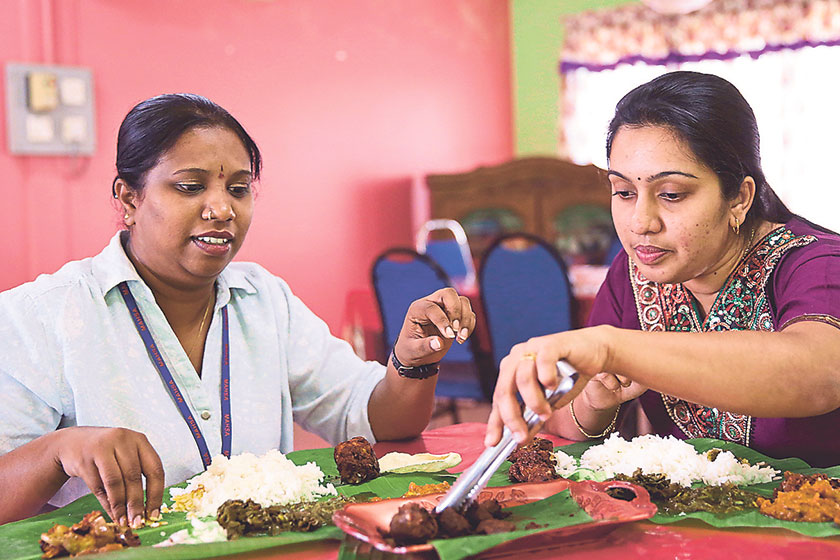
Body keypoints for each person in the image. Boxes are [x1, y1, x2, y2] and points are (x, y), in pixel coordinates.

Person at [0, 94, 476, 527]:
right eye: (190, 187)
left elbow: (377, 420)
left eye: (238, 189)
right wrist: (59, 450)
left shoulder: (265, 300)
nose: (221, 208)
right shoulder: (41, 315)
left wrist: (413, 361)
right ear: (129, 198)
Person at [485, 71, 840, 468]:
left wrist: (612, 347)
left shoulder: (817, 264)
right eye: (623, 192)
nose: (640, 222)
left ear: (739, 197)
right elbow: (569, 420)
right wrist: (595, 400)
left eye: (671, 194)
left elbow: (819, 373)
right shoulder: (634, 272)